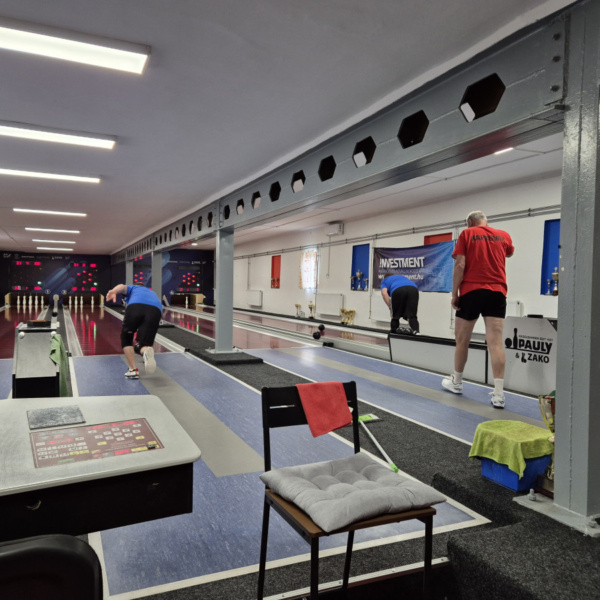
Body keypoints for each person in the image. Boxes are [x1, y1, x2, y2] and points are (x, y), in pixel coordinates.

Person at [441, 210, 514, 408]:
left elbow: (460, 265)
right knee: (496, 343)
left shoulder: (467, 233)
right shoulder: (504, 235)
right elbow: (509, 252)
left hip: (471, 291)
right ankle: (499, 395)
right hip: (497, 292)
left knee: (462, 340)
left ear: (470, 222)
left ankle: (457, 382)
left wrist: (454, 293)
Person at [106, 283, 162, 379]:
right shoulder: (152, 293)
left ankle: (133, 370)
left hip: (136, 306)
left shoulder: (133, 288)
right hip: (156, 310)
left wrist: (114, 291)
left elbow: (122, 286)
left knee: (126, 337)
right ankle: (145, 351)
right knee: (143, 344)